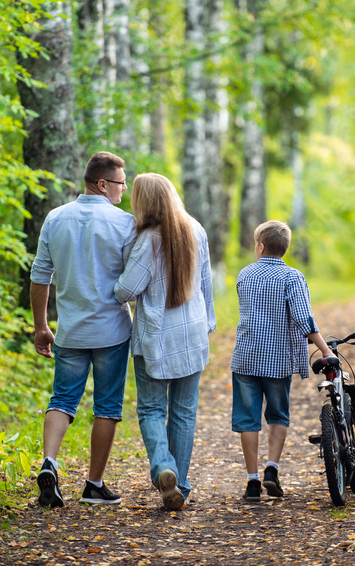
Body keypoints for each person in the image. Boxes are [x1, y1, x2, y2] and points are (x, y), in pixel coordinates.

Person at [30, 151, 136, 507]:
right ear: (103, 184)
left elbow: (40, 276)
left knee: (61, 399)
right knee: (107, 406)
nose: (125, 190)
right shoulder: (124, 223)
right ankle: (93, 485)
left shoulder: (55, 218)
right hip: (112, 330)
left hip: (71, 330)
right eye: (121, 183)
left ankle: (49, 462)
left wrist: (41, 325)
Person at [114, 174, 216, 511]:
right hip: (192, 333)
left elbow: (127, 290)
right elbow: (206, 285)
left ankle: (163, 468)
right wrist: (208, 325)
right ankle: (180, 487)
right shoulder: (195, 230)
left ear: (145, 202)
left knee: (151, 409)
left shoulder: (148, 240)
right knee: (184, 412)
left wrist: (115, 285)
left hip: (156, 338)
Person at [231, 220, 332, 501]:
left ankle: (252, 481)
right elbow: (303, 319)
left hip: (246, 357)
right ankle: (271, 470)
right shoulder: (292, 277)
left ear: (261, 247)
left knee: (247, 419)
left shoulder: (245, 274)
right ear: (283, 249)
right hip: (277, 359)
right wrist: (325, 351)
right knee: (277, 415)